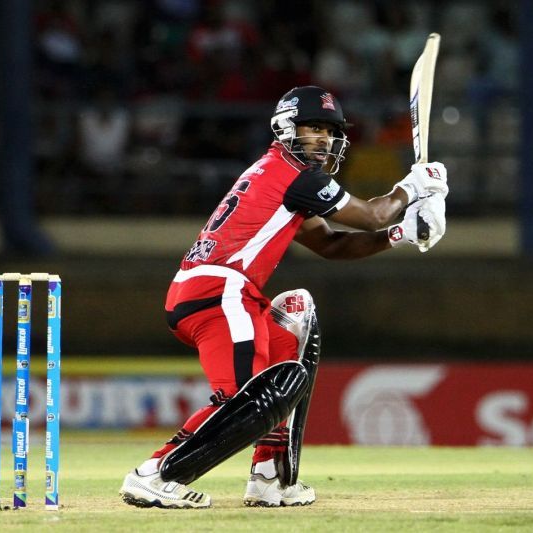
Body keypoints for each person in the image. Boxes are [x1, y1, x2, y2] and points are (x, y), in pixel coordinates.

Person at [118, 85, 448, 509]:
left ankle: (270, 477)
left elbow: (331, 245)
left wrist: (403, 234)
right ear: (285, 128)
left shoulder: (283, 177)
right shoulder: (295, 175)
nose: (324, 139)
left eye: (330, 131)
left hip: (225, 293)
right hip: (221, 290)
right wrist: (412, 187)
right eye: (314, 128)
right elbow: (372, 215)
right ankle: (158, 473)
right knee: (245, 403)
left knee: (296, 328)